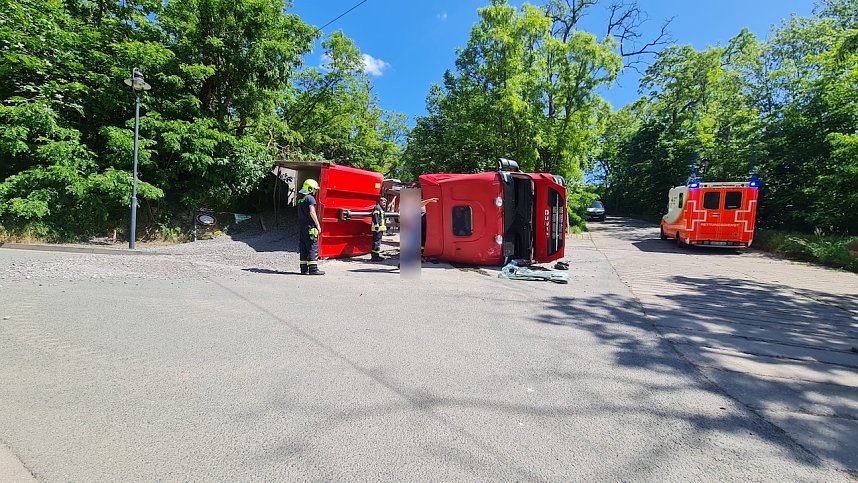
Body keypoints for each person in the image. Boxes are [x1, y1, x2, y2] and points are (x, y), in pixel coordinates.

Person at [298, 179, 324, 275]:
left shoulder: (301, 198)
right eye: (314, 189)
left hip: (302, 227)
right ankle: (313, 269)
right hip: (310, 227)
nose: (315, 191)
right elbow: (312, 212)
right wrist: (317, 224)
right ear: (309, 188)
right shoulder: (310, 198)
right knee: (312, 246)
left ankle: (303, 269)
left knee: (303, 247)